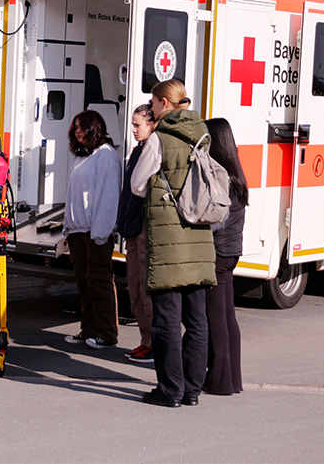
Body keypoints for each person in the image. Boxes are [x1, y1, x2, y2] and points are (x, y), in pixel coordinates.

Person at [130, 79, 216, 407]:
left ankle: (170, 391)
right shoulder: (202, 133)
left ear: (165, 104)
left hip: (168, 241)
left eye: (152, 103)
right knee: (196, 321)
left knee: (166, 320)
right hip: (199, 237)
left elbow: (139, 185)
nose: (150, 109)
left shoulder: (160, 139)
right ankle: (193, 390)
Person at [62, 110, 122, 350]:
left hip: (95, 233)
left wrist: (100, 234)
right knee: (84, 284)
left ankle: (107, 334)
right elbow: (73, 195)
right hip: (78, 232)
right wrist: (68, 227)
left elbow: (108, 198)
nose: (77, 131)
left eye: (82, 127)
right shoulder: (81, 156)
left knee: (99, 283)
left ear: (94, 127)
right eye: (75, 127)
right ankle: (88, 330)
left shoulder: (105, 156)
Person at [202, 117, 247, 395]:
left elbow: (216, 220)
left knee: (215, 318)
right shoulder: (237, 175)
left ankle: (220, 381)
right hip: (231, 252)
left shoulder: (222, 179)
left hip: (218, 253)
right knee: (228, 317)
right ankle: (233, 378)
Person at [117, 104, 156, 364]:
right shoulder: (137, 151)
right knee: (133, 288)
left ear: (151, 125)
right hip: (131, 228)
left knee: (145, 290)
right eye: (132, 124)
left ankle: (154, 344)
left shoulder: (153, 150)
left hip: (143, 229)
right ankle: (145, 341)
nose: (133, 129)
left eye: (137, 125)